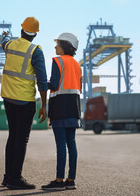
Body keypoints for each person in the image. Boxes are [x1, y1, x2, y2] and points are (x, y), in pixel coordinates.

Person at [0, 17, 48, 190]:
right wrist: (44, 104)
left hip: (8, 98)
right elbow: (42, 81)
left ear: (21, 30)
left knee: (12, 136)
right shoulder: (36, 51)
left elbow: (4, 41)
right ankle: (15, 178)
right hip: (25, 101)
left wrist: (5, 35)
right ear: (35, 34)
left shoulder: (10, 45)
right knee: (21, 139)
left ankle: (7, 177)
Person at [40, 33, 81, 191]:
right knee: (72, 144)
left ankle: (58, 180)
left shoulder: (57, 61)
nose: (55, 47)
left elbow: (55, 84)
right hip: (74, 106)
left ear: (65, 46)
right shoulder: (77, 65)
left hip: (60, 106)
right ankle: (70, 180)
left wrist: (42, 81)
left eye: (57, 44)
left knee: (60, 145)